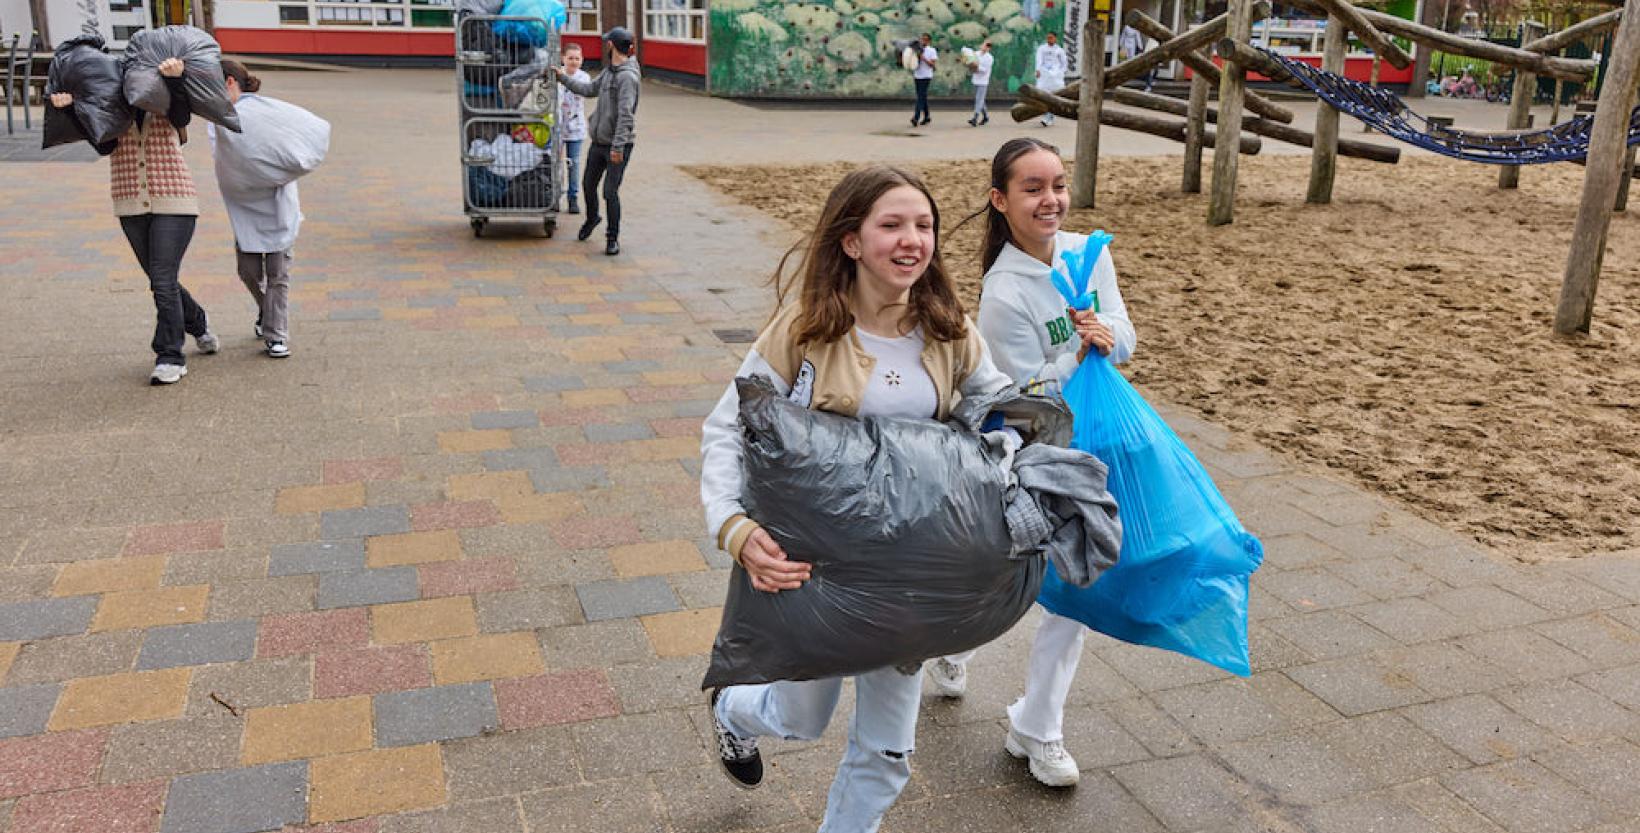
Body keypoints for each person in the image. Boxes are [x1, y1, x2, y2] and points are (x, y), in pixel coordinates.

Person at [700, 165, 1014, 830]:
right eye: (892, 225)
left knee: (887, 752)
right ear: (850, 240)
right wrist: (733, 525)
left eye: (923, 225)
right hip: (812, 568)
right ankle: (733, 711)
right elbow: (729, 424)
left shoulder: (950, 328)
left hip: (909, 574)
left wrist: (1019, 442)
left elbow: (999, 408)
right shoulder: (802, 330)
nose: (912, 240)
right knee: (799, 716)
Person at [932, 137, 1136, 788]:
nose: (1051, 200)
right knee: (1004, 575)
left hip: (1096, 439)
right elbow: (1023, 396)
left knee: (1075, 583)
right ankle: (949, 642)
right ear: (1001, 200)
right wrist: (1079, 348)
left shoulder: (1087, 253)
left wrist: (1107, 336)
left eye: (1058, 185)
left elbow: (1126, 335)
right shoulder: (1003, 291)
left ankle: (1037, 726)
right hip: (1033, 452)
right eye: (1032, 188)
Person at [49, 57, 218, 385]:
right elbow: (104, 145)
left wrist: (174, 81)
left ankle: (170, 355)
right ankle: (198, 323)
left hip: (175, 199)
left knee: (162, 279)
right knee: (161, 279)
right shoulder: (111, 107)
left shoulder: (164, 99)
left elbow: (182, 116)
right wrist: (70, 108)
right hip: (130, 203)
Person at [212, 59, 301, 359]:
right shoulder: (222, 119)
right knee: (248, 271)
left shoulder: (265, 112)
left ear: (229, 83)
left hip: (276, 203)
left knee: (277, 274)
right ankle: (267, 311)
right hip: (246, 207)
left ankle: (276, 335)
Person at [550, 27, 640, 256]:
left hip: (617, 145)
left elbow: (626, 115)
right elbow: (589, 89)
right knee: (588, 185)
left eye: (606, 42)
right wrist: (562, 78)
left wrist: (618, 147)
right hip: (599, 142)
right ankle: (592, 218)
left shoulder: (627, 77)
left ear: (611, 46)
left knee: (610, 192)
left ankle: (612, 238)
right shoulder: (610, 72)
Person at [557, 42, 591, 215]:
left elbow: (581, 91)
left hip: (575, 126)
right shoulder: (556, 74)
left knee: (574, 163)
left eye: (577, 58)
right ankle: (555, 195)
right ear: (563, 58)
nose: (574, 61)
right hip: (557, 125)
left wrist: (563, 79)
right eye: (570, 58)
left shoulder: (584, 77)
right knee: (554, 162)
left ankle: (573, 197)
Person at [1034, 32, 1069, 126]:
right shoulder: (1042, 49)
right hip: (1044, 75)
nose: (1049, 39)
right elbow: (1039, 60)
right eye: (1048, 38)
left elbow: (1064, 63)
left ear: (1055, 38)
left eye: (1051, 38)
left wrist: (1061, 72)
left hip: (1055, 77)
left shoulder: (1059, 50)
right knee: (1044, 96)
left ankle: (1049, 117)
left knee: (1053, 96)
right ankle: (1046, 116)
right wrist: (1037, 70)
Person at [911, 32, 937, 127]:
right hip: (917, 75)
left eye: (925, 40)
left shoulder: (932, 50)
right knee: (922, 96)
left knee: (920, 97)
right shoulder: (917, 50)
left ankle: (916, 117)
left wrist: (923, 58)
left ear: (929, 41)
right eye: (922, 39)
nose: (923, 41)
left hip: (926, 76)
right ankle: (927, 116)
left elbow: (932, 64)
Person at [1118, 23, 1154, 91]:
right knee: (1124, 58)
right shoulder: (1126, 27)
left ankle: (1130, 73)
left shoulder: (1136, 28)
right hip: (1126, 42)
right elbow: (1123, 35)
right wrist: (1120, 43)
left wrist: (1140, 46)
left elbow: (1138, 37)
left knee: (1131, 58)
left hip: (1132, 42)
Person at [967, 41, 994, 127]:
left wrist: (976, 66)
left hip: (983, 81)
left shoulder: (989, 58)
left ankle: (975, 117)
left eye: (987, 46)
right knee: (980, 99)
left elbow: (984, 70)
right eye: (984, 45)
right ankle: (986, 116)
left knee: (979, 99)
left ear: (989, 48)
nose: (984, 47)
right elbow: (970, 60)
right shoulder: (976, 54)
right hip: (975, 79)